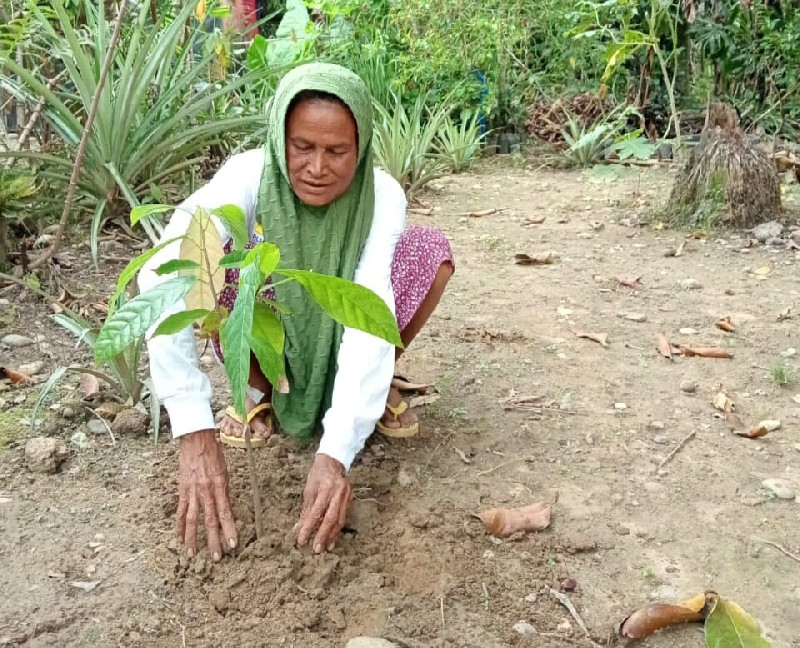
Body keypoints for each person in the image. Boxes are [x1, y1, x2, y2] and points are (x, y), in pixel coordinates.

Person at [138, 63, 454, 562]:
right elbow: (165, 271)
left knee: (427, 252)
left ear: (363, 146)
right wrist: (192, 427)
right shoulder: (247, 176)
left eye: (337, 151)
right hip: (275, 324)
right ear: (279, 137)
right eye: (302, 146)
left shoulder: (381, 195)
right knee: (224, 271)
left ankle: (374, 384)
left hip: (341, 329)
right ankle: (261, 389)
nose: (317, 167)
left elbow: (367, 311)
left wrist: (336, 452)